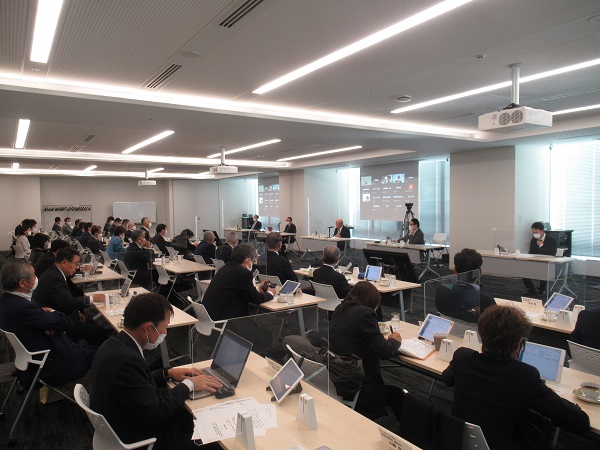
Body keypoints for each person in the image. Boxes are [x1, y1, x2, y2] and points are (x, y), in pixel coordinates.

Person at [443, 305, 589, 450]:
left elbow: (447, 379)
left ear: (481, 333)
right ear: (518, 343)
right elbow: (579, 422)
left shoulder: (463, 357)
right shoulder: (525, 375)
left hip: (458, 441)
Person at [89, 293, 222, 449]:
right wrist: (189, 384)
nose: (165, 332)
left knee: (188, 416)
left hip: (123, 421)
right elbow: (156, 413)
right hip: (145, 438)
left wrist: (167, 373)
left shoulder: (113, 345)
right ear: (148, 328)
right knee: (216, 442)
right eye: (164, 327)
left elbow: (136, 383)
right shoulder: (128, 361)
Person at [0, 259, 95, 389]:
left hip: (34, 355)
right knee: (103, 354)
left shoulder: (6, 301)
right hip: (52, 361)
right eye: (34, 276)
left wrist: (48, 323)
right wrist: (51, 313)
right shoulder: (23, 308)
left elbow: (43, 319)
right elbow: (66, 323)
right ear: (22, 283)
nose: (36, 278)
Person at [329, 281, 404, 421]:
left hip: (339, 378)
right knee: (398, 394)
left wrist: (378, 339)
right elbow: (384, 352)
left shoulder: (340, 309)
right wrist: (395, 340)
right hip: (359, 386)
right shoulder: (366, 313)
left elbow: (355, 338)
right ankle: (409, 431)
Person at [32, 248, 107, 345]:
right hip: (58, 322)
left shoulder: (54, 272)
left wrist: (77, 312)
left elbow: (63, 299)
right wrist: (92, 299)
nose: (77, 267)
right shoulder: (54, 278)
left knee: (93, 323)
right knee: (94, 330)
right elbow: (67, 302)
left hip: (58, 314)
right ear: (64, 262)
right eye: (76, 263)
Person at [435, 248, 496, 323]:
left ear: (455, 271)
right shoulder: (486, 301)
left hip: (447, 329)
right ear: (480, 272)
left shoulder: (442, 290)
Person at [523, 222, 557, 297]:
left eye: (536, 232)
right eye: (533, 232)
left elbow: (551, 254)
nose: (535, 234)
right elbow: (531, 253)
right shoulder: (533, 240)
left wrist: (541, 245)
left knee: (543, 269)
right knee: (523, 269)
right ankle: (531, 289)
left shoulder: (552, 240)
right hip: (535, 261)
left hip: (546, 263)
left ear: (542, 231)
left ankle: (542, 289)